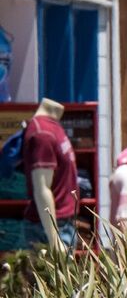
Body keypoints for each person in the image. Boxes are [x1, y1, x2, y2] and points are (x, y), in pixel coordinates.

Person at [21, 97, 77, 253]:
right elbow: (42, 188)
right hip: (48, 231)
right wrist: (54, 239)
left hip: (63, 225)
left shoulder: (53, 128)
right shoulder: (42, 134)